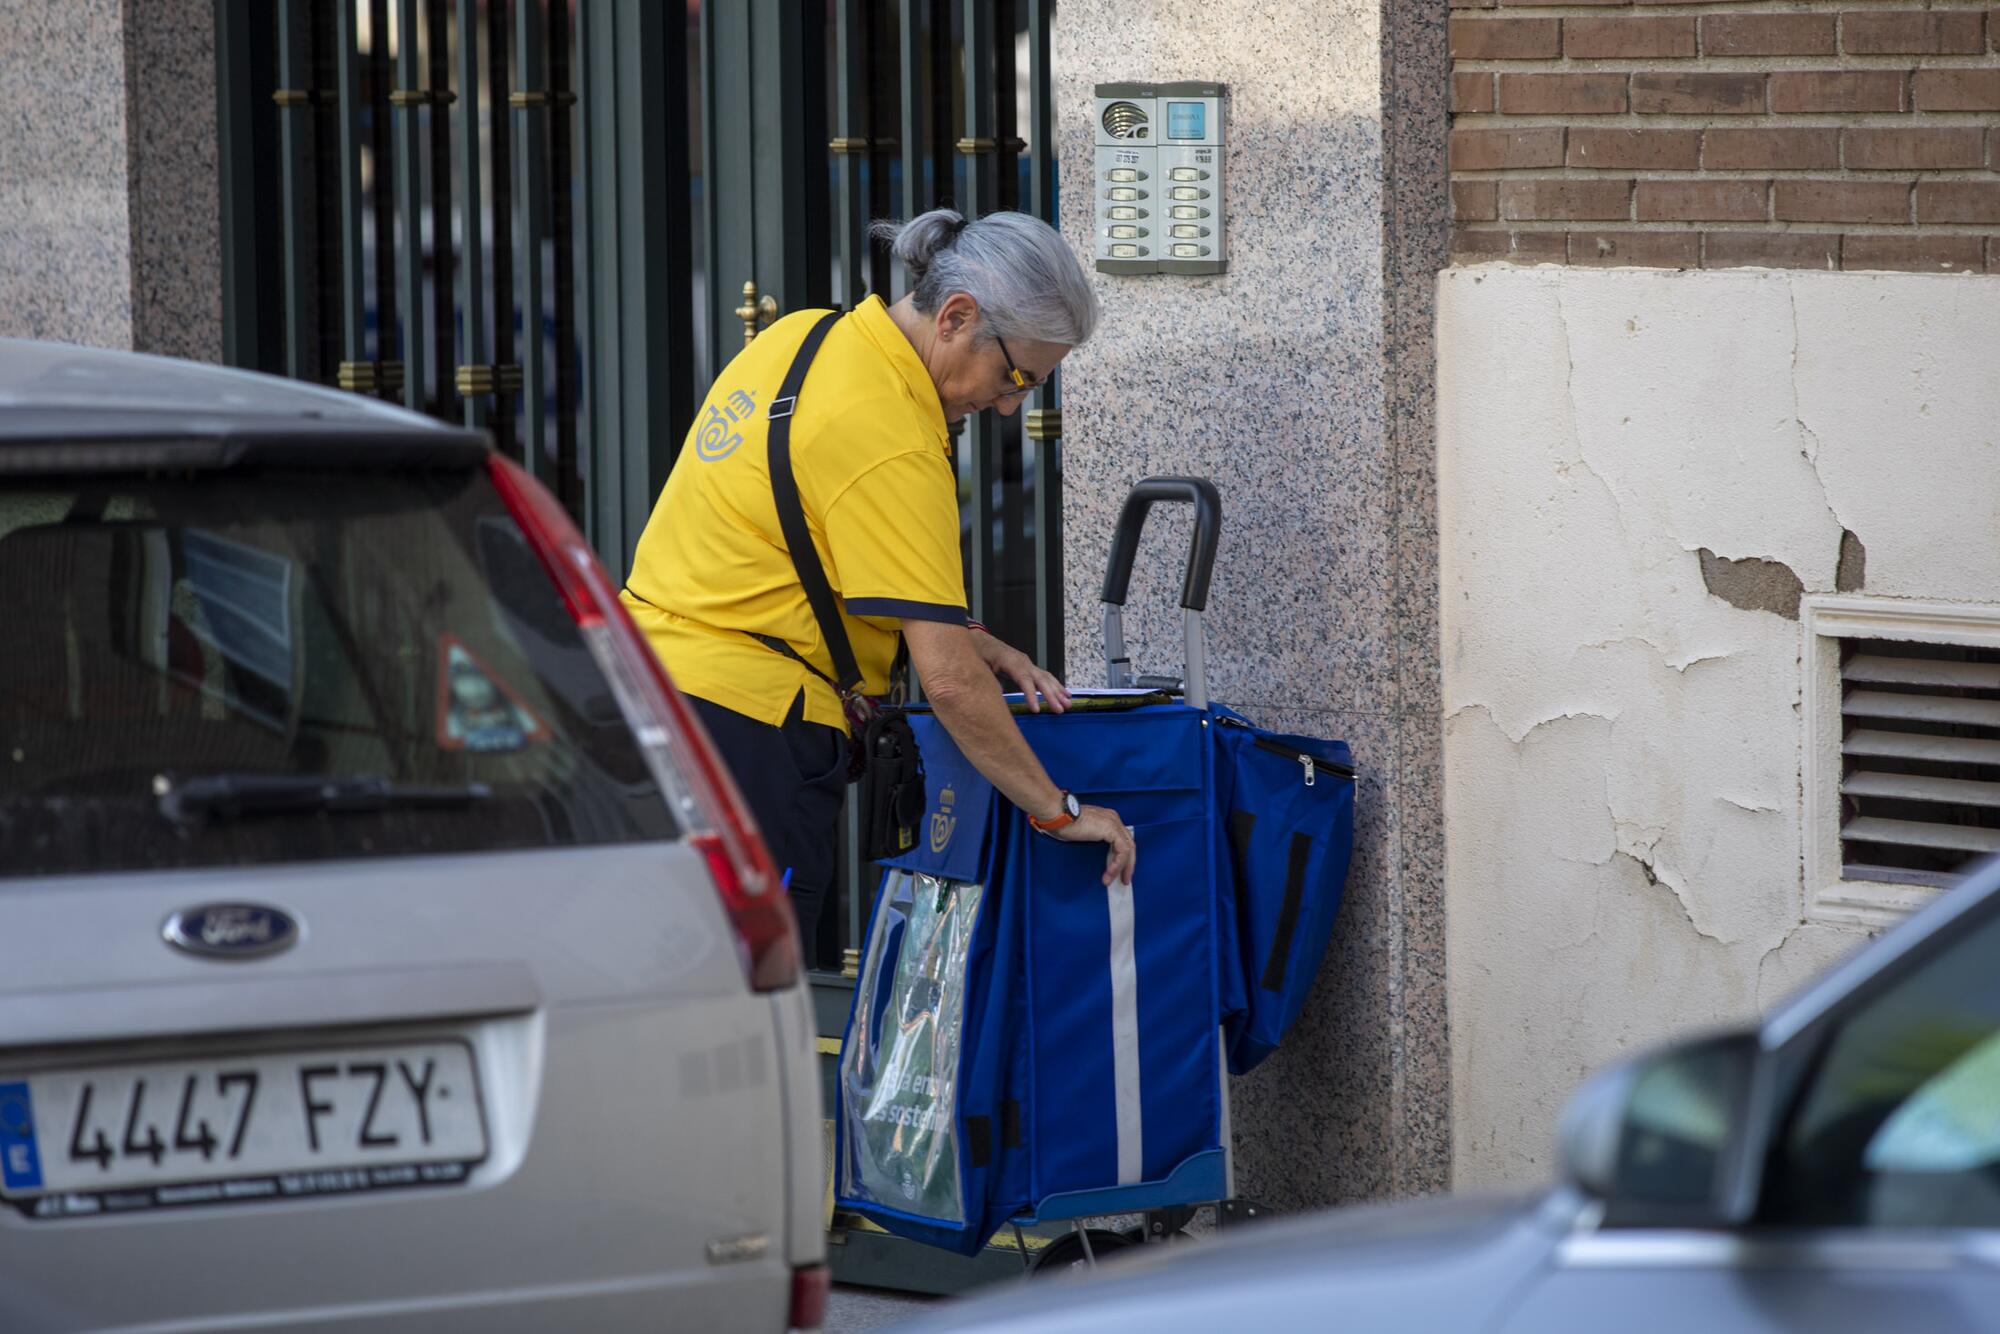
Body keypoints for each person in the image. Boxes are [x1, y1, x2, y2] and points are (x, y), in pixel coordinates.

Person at [622, 208, 1135, 952]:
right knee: (748, 1006)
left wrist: (972, 634)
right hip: (748, 741)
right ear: (957, 316)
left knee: (662, 983)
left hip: (644, 702)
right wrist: (1059, 811)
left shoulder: (804, 336)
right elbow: (951, 685)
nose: (1009, 404)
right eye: (1013, 374)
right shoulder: (892, 434)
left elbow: (801, 542)